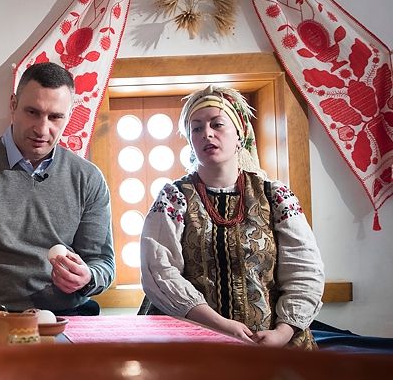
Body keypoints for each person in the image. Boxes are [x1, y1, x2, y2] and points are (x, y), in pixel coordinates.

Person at [139, 85, 324, 348]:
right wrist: (218, 325)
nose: (207, 134)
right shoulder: (173, 198)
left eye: (218, 124)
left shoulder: (275, 196)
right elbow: (158, 271)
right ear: (190, 140)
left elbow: (304, 270)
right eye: (197, 128)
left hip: (273, 343)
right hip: (192, 340)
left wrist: (282, 332)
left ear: (240, 134)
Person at [0, 62, 115, 317]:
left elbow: (103, 264)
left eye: (55, 117)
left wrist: (88, 277)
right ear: (13, 105)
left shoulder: (88, 178)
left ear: (70, 116)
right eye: (32, 112)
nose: (42, 129)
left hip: (67, 316)